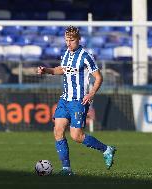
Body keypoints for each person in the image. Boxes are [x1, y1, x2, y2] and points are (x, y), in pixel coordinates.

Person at [37, 26, 116, 175]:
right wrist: (46, 70)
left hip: (79, 101)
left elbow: (99, 77)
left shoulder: (86, 56)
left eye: (71, 40)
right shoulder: (66, 53)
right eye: (66, 40)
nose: (68, 43)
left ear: (78, 39)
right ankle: (66, 169)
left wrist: (91, 93)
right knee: (58, 131)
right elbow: (61, 69)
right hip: (65, 99)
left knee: (76, 136)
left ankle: (107, 149)